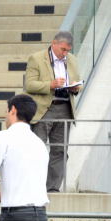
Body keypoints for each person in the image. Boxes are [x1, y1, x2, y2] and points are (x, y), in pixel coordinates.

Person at [25, 31, 81, 193]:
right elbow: (29, 85)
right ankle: (34, 185)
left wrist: (75, 87)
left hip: (65, 108)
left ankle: (52, 188)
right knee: (38, 149)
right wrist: (51, 84)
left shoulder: (72, 60)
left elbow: (77, 80)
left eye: (67, 50)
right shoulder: (36, 58)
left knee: (60, 150)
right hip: (45, 109)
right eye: (63, 49)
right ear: (54, 43)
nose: (65, 53)